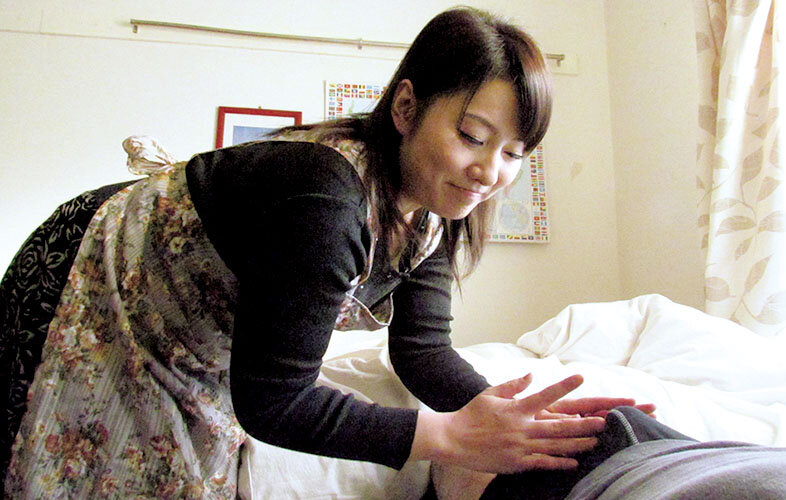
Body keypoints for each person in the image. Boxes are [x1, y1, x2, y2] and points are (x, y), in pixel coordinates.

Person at [3, 7, 657, 499]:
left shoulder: (434, 208)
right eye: (471, 136)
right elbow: (275, 402)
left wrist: (513, 417)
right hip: (96, 279)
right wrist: (449, 437)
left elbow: (422, 352)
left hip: (192, 332)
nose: (490, 172)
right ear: (407, 107)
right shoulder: (328, 200)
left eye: (514, 153)